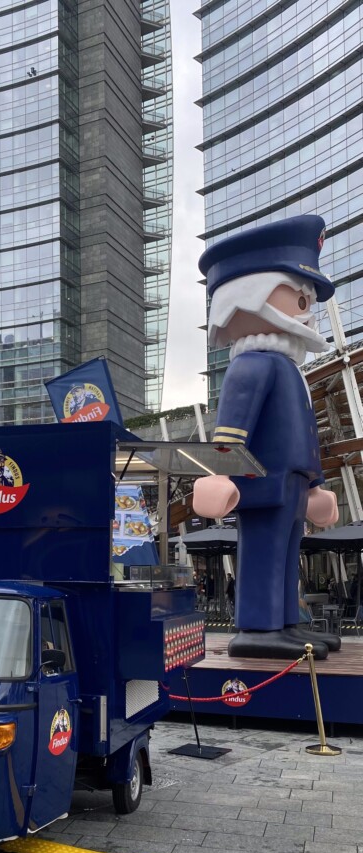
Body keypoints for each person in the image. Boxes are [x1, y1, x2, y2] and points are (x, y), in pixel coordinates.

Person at [193, 215, 339, 660]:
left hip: (289, 481)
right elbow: (231, 427)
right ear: (249, 296)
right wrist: (221, 474)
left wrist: (314, 485)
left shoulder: (285, 367)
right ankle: (258, 627)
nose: (305, 308)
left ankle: (284, 623)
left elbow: (303, 435)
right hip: (260, 481)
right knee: (263, 550)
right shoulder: (252, 364)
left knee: (288, 552)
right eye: (299, 296)